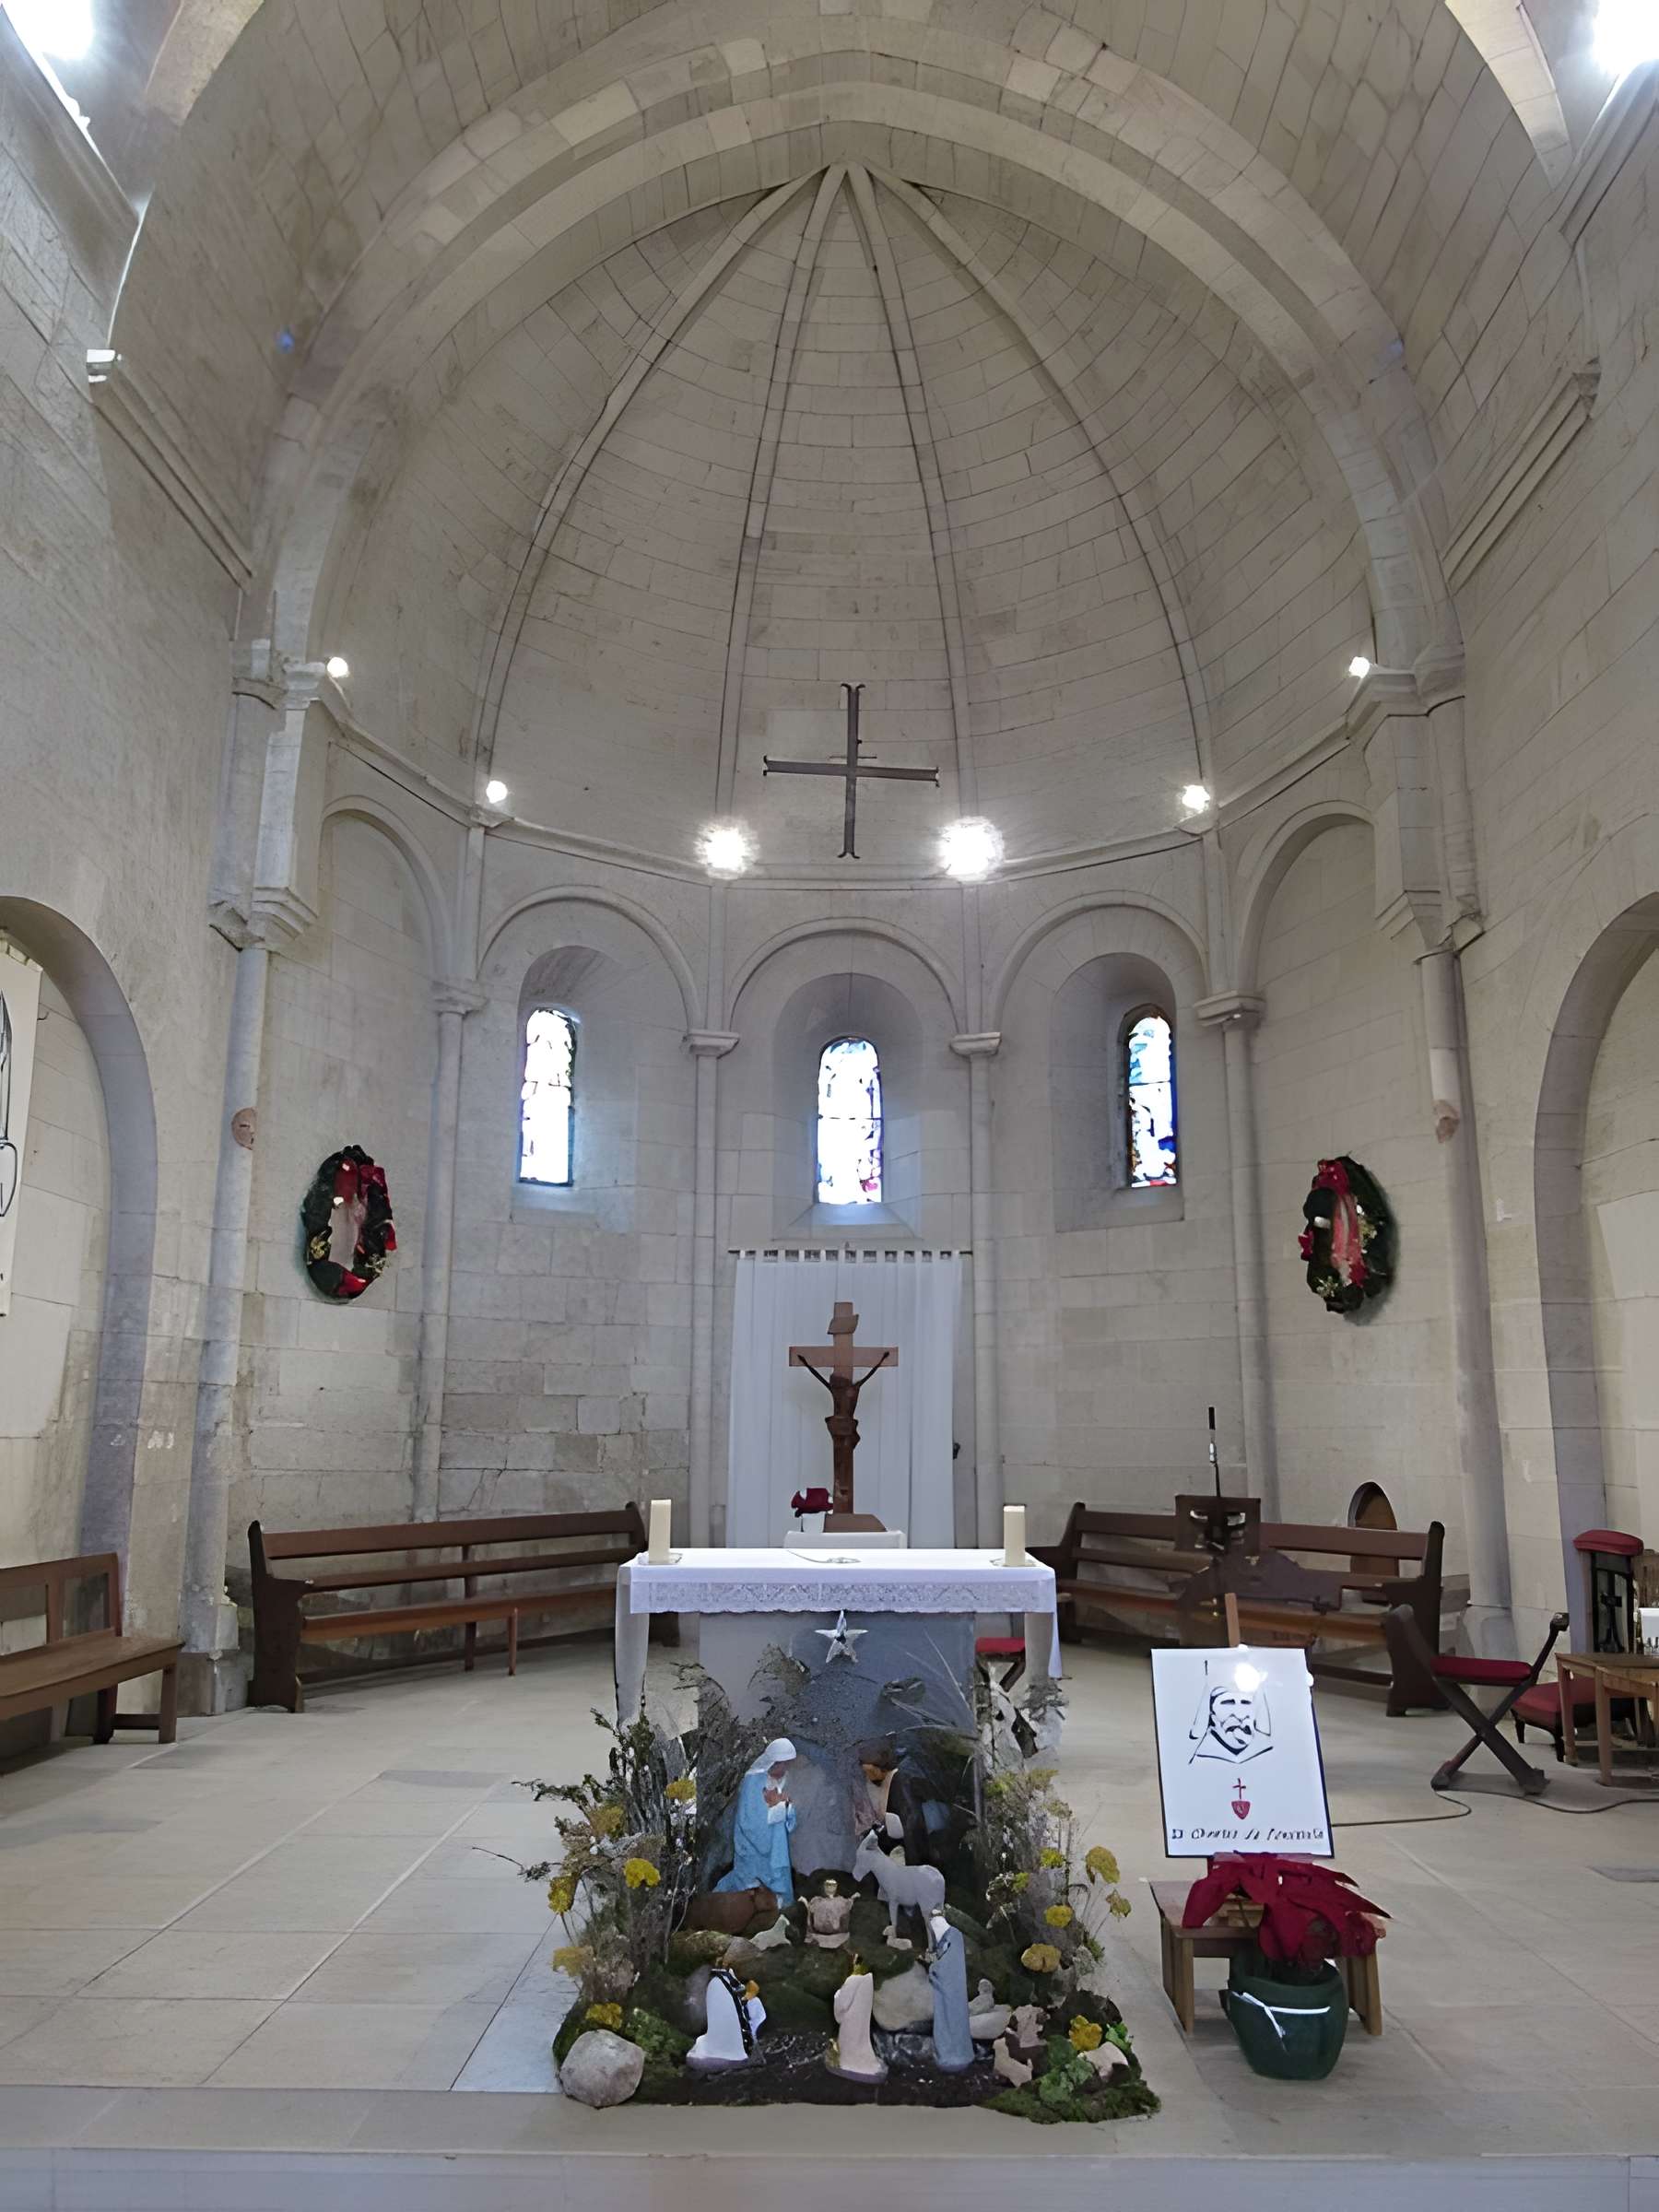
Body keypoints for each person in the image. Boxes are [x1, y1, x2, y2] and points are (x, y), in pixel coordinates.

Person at [715, 1738, 798, 1904]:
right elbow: (749, 1818)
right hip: (754, 1846)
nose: (786, 1768)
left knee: (778, 1880)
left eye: (787, 1764)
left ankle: (779, 1910)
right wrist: (777, 1807)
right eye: (783, 1764)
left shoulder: (782, 1780)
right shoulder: (753, 1781)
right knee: (750, 1887)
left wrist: (786, 1806)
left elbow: (788, 1813)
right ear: (774, 1763)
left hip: (777, 1844)